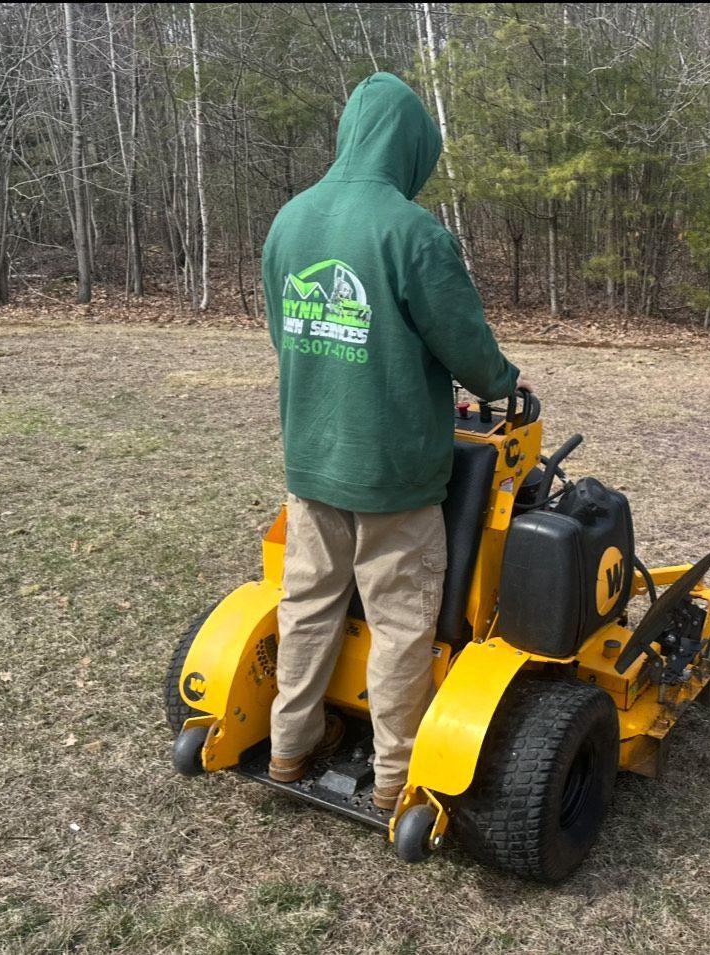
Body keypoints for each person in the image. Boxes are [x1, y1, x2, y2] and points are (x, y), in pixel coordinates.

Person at [261, 72, 530, 811]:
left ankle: (289, 746)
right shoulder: (411, 231)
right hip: (394, 471)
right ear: (410, 147)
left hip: (311, 459)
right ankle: (392, 776)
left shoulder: (289, 220)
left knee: (308, 603)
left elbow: (286, 334)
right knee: (401, 620)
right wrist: (505, 378)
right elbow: (468, 349)